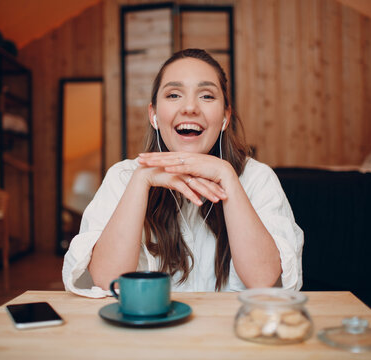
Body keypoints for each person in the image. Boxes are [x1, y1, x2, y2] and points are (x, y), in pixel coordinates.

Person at [62, 49, 303, 297]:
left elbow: (263, 280)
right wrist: (141, 181)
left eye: (207, 96)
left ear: (225, 117)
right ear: (154, 115)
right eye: (174, 94)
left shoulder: (257, 178)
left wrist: (227, 176)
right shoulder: (123, 177)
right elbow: (107, 281)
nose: (190, 107)